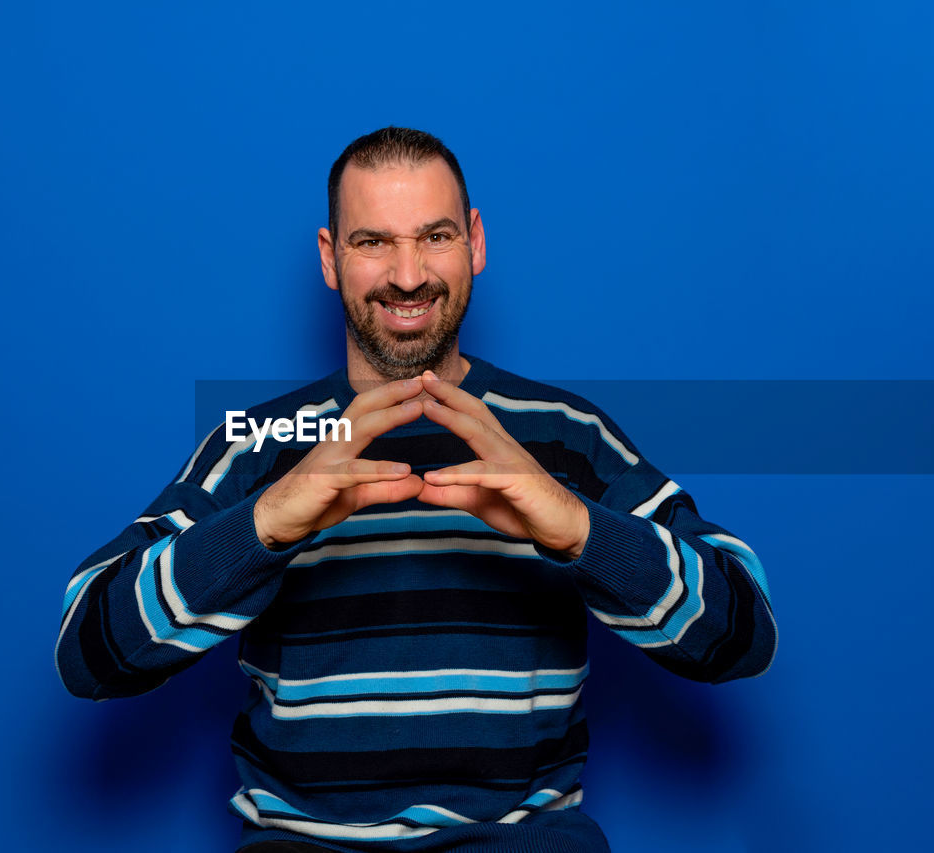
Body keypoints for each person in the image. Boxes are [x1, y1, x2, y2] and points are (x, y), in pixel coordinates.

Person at [55, 127, 777, 853]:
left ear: (476, 242)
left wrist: (578, 529)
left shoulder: (567, 433)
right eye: (372, 242)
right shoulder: (261, 439)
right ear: (330, 259)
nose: (407, 275)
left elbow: (744, 632)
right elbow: (87, 649)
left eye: (434, 236)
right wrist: (265, 524)